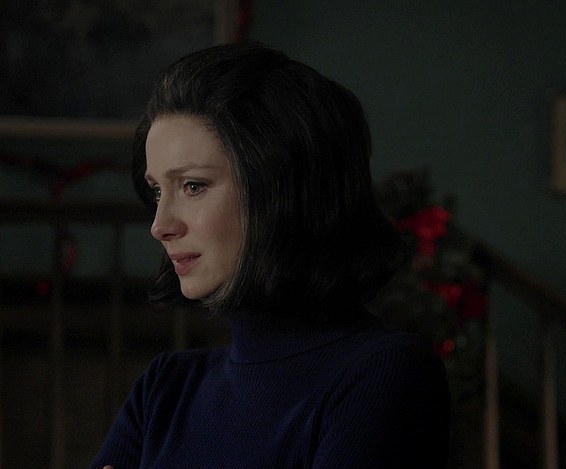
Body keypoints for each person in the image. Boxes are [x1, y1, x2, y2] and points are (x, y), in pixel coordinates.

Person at [89, 42, 450, 468]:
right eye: (156, 191)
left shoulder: (385, 372)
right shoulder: (165, 387)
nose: (160, 224)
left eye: (192, 186)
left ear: (281, 190)